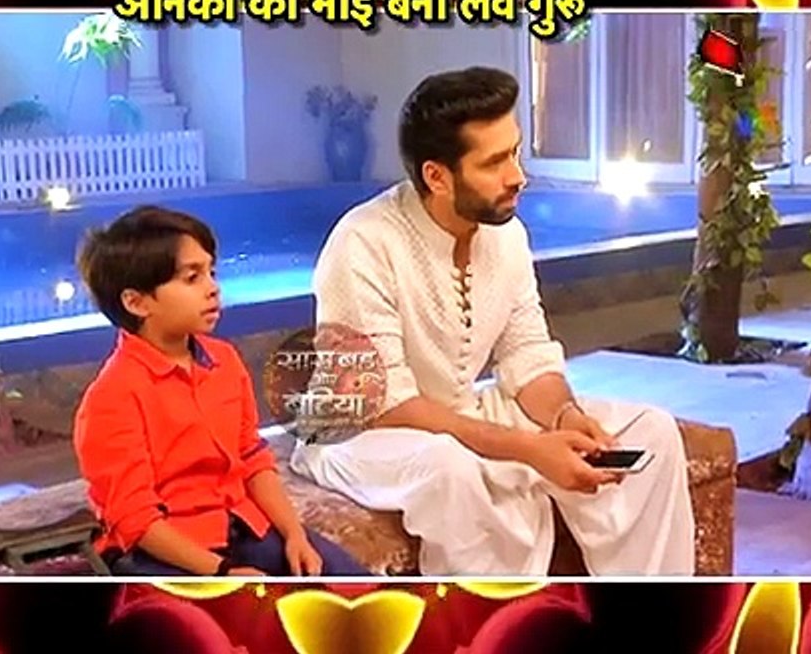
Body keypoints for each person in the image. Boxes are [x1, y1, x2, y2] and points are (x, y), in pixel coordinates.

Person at [290, 67, 696, 576]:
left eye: (515, 152)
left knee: (650, 432)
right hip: (362, 432)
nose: (517, 176)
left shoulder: (507, 234)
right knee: (453, 470)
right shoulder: (363, 242)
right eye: (495, 162)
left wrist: (566, 418)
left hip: (461, 413)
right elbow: (387, 404)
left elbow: (528, 354)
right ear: (437, 177)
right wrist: (528, 449)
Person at [73, 205, 369, 576]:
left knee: (360, 589)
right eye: (192, 278)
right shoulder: (111, 398)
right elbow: (135, 519)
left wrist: (294, 534)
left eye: (211, 272)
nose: (213, 288)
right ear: (136, 302)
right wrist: (222, 573)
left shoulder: (224, 360)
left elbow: (252, 459)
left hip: (242, 528)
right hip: (163, 552)